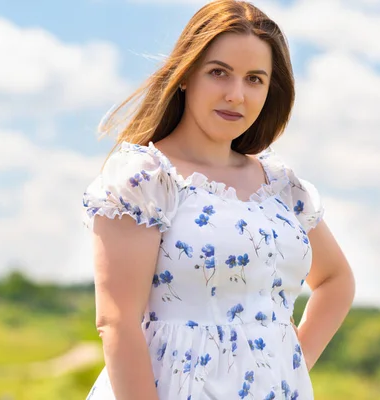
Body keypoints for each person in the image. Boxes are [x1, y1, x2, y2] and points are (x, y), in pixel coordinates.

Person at [82, 1, 355, 399]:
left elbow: (336, 281)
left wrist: (290, 364)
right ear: (185, 75)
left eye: (255, 79)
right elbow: (117, 321)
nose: (235, 95)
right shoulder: (145, 178)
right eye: (218, 73)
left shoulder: (281, 186)